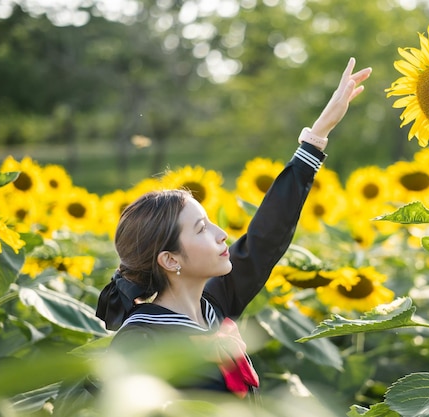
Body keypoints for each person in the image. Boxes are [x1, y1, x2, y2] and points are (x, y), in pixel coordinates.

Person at [95, 58, 371, 403]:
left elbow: (265, 238)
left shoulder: (213, 306)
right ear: (169, 259)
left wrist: (318, 135)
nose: (221, 233)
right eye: (201, 229)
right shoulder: (142, 338)